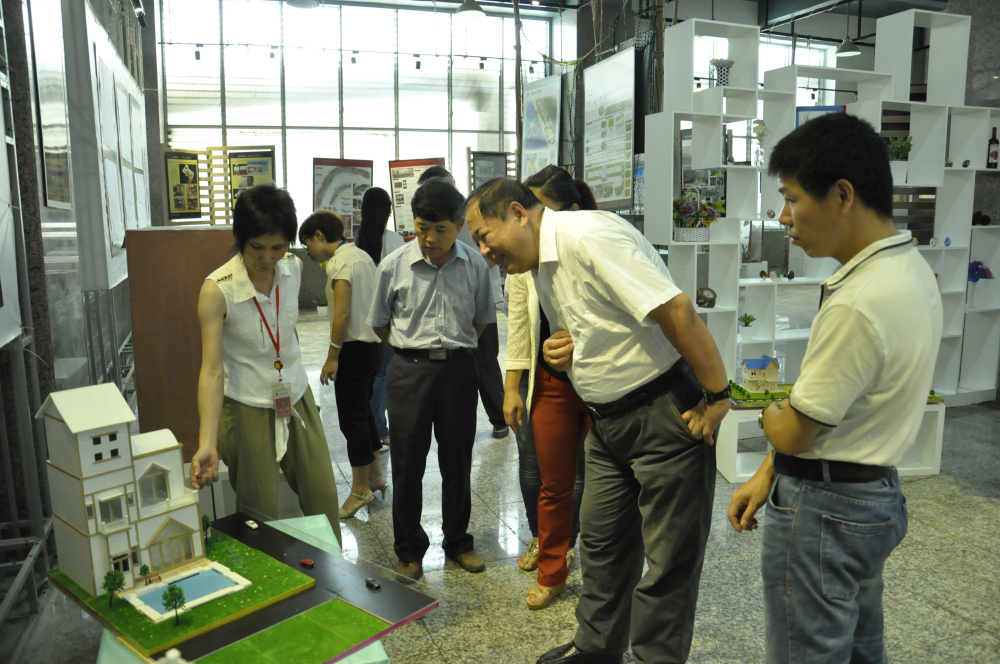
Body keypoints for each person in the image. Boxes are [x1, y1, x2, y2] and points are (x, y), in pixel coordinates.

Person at [465, 178, 730, 664]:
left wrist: (718, 395)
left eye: (485, 236)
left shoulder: (589, 238)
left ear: (519, 213)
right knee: (603, 545)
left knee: (668, 561)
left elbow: (675, 309)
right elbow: (595, 326)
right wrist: (561, 352)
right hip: (606, 424)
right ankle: (596, 650)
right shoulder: (540, 263)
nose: (484, 251)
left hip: (662, 415)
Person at [727, 113, 942, 664]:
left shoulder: (859, 300)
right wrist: (767, 472)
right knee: (861, 648)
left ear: (843, 195)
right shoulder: (909, 268)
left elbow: (794, 432)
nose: (783, 217)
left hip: (824, 511)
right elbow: (835, 410)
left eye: (792, 199)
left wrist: (769, 407)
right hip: (870, 497)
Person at [191, 183, 341, 545]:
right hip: (246, 407)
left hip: (297, 398)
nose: (267, 258)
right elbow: (211, 370)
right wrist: (207, 442)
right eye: (256, 247)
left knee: (323, 497)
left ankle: (333, 574)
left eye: (278, 247)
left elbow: (287, 332)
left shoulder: (293, 269)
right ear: (241, 239)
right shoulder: (217, 290)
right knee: (258, 516)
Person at [367, 178, 496, 581]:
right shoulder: (393, 266)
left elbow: (481, 321)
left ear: (459, 225)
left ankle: (458, 542)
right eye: (423, 228)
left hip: (459, 371)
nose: (430, 238)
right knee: (407, 465)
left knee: (457, 460)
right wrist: (413, 351)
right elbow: (380, 324)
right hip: (409, 373)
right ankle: (409, 551)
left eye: (440, 229)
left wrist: (452, 349)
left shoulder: (475, 265)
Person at [504, 165, 597, 610]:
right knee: (552, 481)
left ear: (570, 212)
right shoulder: (521, 258)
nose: (528, 221)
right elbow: (519, 327)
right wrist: (511, 387)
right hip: (551, 382)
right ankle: (552, 568)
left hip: (599, 382)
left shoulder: (593, 247)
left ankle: (599, 566)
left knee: (602, 482)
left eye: (538, 210)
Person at [299, 209, 387, 520]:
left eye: (307, 244)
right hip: (373, 348)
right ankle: (376, 477)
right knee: (364, 414)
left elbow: (343, 313)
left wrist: (332, 356)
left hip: (353, 351)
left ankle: (359, 490)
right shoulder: (362, 256)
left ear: (319, 235)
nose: (308, 252)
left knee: (352, 421)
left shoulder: (339, 262)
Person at [417, 165, 509, 439]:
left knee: (486, 362)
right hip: (445, 301)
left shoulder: (471, 214)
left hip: (479, 299)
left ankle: (499, 419)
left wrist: (473, 264)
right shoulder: (431, 223)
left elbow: (494, 253)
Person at [354, 187, 406, 452]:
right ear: (388, 212)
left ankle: (378, 428)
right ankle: (378, 429)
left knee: (372, 377)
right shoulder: (395, 241)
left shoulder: (356, 242)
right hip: (389, 319)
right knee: (384, 375)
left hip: (364, 320)